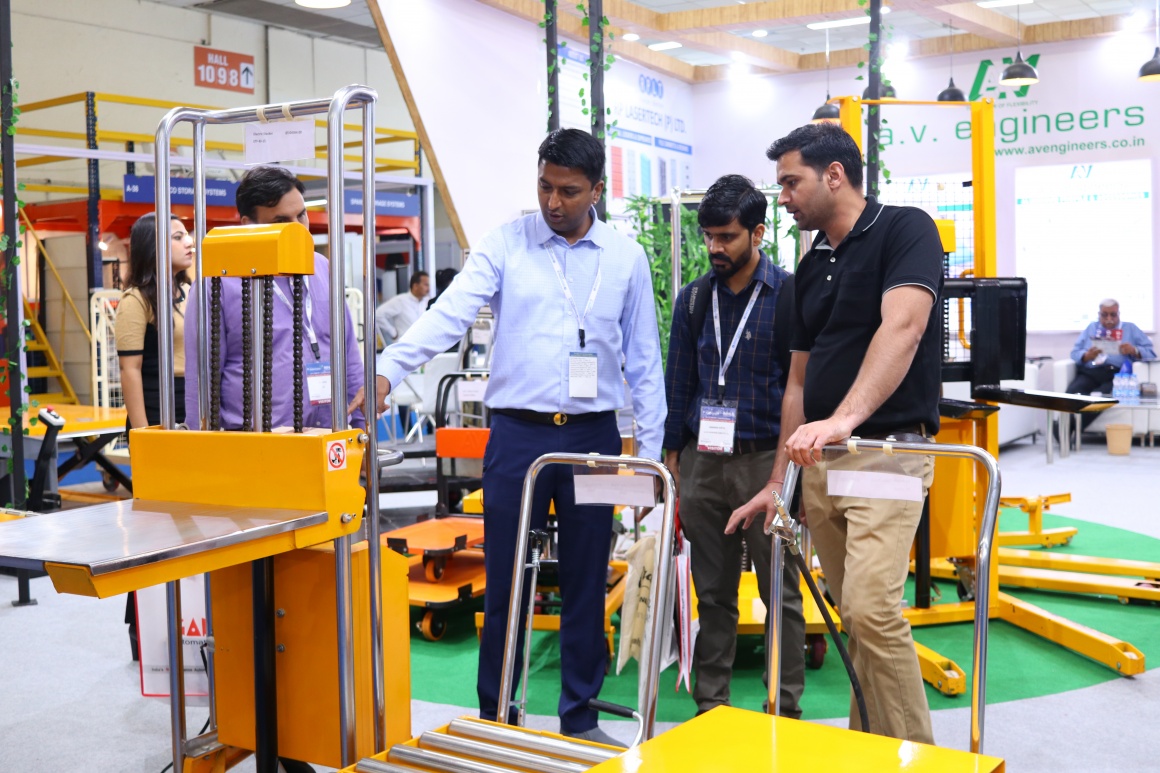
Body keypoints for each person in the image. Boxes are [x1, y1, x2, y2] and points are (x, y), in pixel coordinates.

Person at [349, 128, 665, 746]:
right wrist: (388, 371)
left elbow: (644, 362)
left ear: (596, 190)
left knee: (585, 579)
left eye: (569, 192)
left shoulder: (625, 257)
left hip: (594, 442)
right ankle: (496, 716)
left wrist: (648, 461)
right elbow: (448, 314)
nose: (553, 202)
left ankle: (580, 716)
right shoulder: (506, 244)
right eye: (545, 186)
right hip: (517, 437)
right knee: (506, 579)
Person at [727, 122, 944, 745]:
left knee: (873, 612)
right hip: (823, 464)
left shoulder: (905, 229)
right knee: (855, 621)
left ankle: (920, 760)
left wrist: (844, 419)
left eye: (791, 182)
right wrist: (779, 483)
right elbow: (797, 384)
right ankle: (874, 751)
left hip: (887, 453)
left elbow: (901, 328)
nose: (783, 197)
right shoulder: (809, 265)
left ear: (834, 175)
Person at [662, 174, 804, 718]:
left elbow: (803, 385)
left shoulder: (790, 295)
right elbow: (681, 382)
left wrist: (792, 473)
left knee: (781, 596)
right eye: (709, 238)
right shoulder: (695, 298)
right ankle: (711, 710)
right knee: (712, 593)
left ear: (758, 232)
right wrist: (674, 459)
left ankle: (783, 711)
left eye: (727, 236)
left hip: (766, 461)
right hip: (704, 463)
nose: (716, 248)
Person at [185, 165, 365, 431]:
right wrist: (199, 443)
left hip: (330, 435)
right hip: (256, 443)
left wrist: (362, 427)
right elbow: (202, 377)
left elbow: (348, 353)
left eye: (301, 216)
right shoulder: (218, 281)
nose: (298, 229)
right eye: (281, 221)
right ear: (248, 225)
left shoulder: (322, 268)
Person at [114, 212, 194, 663]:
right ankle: (140, 627)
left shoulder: (188, 292)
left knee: (190, 524)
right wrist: (143, 435)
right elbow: (129, 372)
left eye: (187, 234)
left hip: (190, 413)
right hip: (156, 415)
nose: (189, 242)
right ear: (153, 246)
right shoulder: (135, 301)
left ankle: (189, 620)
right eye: (177, 236)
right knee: (153, 530)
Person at [1066, 299, 1155, 396]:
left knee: (1100, 397)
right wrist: (1086, 355)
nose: (1109, 318)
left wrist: (1134, 350)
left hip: (1118, 374)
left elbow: (1151, 354)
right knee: (1072, 394)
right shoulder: (1091, 327)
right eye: (1104, 315)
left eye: (1113, 315)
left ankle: (1090, 409)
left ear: (1119, 314)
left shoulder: (1130, 328)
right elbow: (1074, 353)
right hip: (1090, 373)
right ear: (1099, 314)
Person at [375, 270, 430, 346]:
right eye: (426, 285)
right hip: (404, 347)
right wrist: (393, 333)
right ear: (415, 286)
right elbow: (378, 314)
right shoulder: (401, 300)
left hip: (423, 346)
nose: (428, 288)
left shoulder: (428, 302)